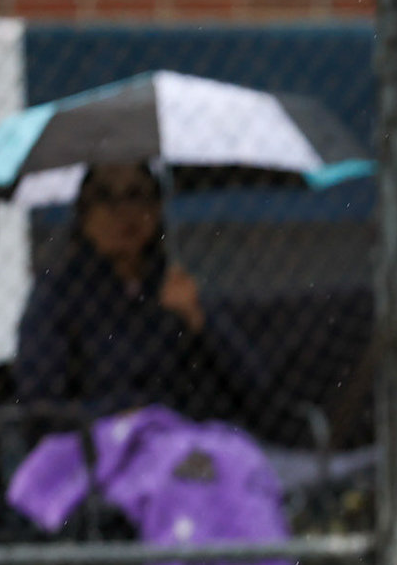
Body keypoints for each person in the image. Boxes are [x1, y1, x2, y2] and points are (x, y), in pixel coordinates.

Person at [14, 162, 265, 426]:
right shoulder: (57, 292)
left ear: (156, 208)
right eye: (105, 196)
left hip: (180, 442)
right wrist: (120, 414)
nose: (124, 211)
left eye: (136, 195)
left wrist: (199, 318)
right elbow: (41, 402)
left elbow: (253, 390)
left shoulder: (172, 286)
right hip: (95, 450)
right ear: (84, 214)